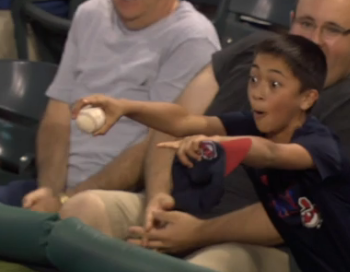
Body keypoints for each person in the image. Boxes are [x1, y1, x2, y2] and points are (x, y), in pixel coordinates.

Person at [60, 0, 350, 272]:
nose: (314, 40)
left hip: (274, 250)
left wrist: (198, 232)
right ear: (291, 22)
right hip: (181, 209)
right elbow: (179, 121)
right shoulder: (257, 58)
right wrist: (158, 199)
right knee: (81, 213)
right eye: (307, 24)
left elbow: (302, 214)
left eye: (331, 30)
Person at [0, 0, 220, 210]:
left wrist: (67, 202)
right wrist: (49, 191)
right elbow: (58, 113)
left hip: (115, 204)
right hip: (52, 190)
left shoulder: (193, 38)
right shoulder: (91, 13)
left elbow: (158, 145)